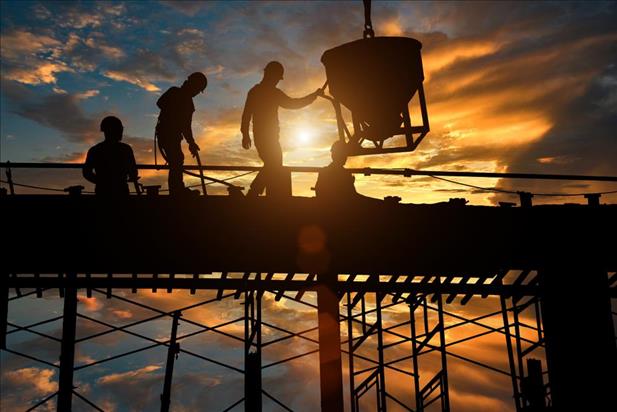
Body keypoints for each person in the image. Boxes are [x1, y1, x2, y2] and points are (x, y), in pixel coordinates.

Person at [241, 61, 322, 197]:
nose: (277, 81)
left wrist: (313, 96)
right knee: (274, 164)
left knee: (274, 165)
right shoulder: (258, 92)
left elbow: (292, 104)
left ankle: (260, 193)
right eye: (277, 78)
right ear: (270, 75)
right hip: (264, 138)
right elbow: (246, 115)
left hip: (270, 138)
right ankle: (255, 192)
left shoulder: (266, 92)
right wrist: (245, 134)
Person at [156, 72, 207, 195]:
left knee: (177, 159)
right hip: (166, 133)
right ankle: (177, 190)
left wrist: (191, 143)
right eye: (197, 89)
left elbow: (186, 127)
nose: (196, 93)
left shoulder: (189, 103)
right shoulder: (174, 92)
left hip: (172, 135)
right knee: (177, 159)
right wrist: (174, 110)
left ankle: (177, 189)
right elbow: (160, 103)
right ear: (192, 84)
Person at [83, 116, 138, 196]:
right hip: (121, 192)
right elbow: (133, 172)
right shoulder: (126, 149)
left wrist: (101, 182)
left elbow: (87, 173)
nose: (121, 132)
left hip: (102, 192)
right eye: (119, 130)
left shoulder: (95, 150)